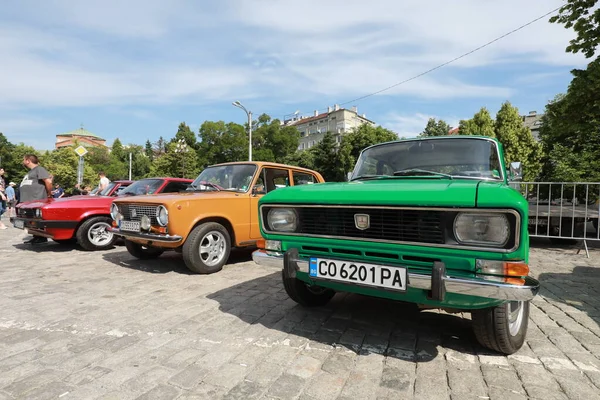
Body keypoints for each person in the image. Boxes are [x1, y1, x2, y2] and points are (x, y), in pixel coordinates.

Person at [20, 154, 53, 244]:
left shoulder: (39, 169)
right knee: (31, 220)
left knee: (36, 219)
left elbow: (48, 181)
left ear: (28, 160)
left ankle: (41, 237)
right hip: (28, 201)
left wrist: (49, 193)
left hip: (37, 199)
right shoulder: (31, 172)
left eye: (24, 159)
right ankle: (36, 237)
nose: (23, 161)